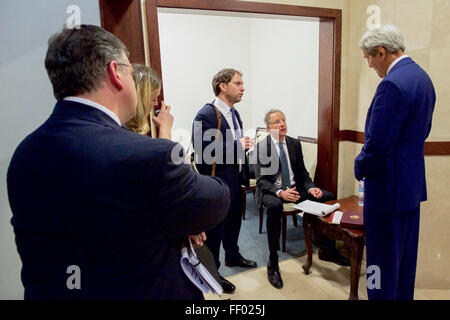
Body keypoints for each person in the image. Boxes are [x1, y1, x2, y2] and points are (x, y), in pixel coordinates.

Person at [6, 25, 230, 300]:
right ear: (116, 73)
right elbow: (215, 200)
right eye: (130, 71)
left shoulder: (24, 153)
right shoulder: (149, 156)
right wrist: (168, 143)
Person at [355, 24, 435, 300]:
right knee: (403, 266)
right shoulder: (422, 78)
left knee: (379, 265)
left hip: (386, 194)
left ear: (381, 52)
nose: (370, 66)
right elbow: (423, 132)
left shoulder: (391, 84)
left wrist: (359, 167)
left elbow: (376, 145)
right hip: (410, 190)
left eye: (369, 59)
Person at [254, 109, 349, 289]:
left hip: (295, 189)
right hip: (272, 191)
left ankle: (327, 248)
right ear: (269, 128)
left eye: (283, 120)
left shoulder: (294, 144)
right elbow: (261, 181)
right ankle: (273, 263)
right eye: (277, 122)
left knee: (328, 196)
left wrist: (311, 187)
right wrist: (280, 192)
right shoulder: (262, 147)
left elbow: (303, 174)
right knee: (274, 207)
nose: (282, 124)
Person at [192, 68, 256, 294]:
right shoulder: (205, 115)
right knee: (215, 231)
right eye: (238, 83)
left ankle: (233, 255)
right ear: (223, 86)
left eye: (242, 83)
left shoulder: (234, 113)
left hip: (234, 180)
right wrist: (238, 146)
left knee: (233, 223)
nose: (243, 87)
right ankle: (213, 272)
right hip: (216, 184)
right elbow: (202, 151)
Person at [126, 64, 173, 140]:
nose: (156, 103)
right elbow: (166, 151)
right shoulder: (126, 136)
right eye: (153, 98)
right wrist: (165, 127)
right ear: (140, 99)